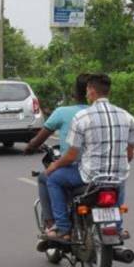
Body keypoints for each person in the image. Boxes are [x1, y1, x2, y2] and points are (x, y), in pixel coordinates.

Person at [46, 74, 134, 241]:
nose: (87, 94)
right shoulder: (128, 117)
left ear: (92, 91)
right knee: (119, 179)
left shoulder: (82, 117)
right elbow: (129, 155)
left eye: (88, 90)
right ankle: (117, 227)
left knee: (53, 179)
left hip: (89, 177)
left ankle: (63, 227)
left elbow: (71, 156)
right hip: (117, 177)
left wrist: (54, 166)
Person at [24, 74, 90, 231]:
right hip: (104, 171)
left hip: (78, 168)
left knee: (45, 177)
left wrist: (30, 147)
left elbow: (41, 138)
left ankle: (54, 224)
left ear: (75, 93)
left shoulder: (63, 112)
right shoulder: (101, 113)